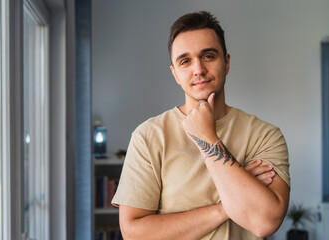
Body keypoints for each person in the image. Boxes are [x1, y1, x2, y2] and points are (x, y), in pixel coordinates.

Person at [112, 11, 290, 240]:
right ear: (175, 74)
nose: (198, 69)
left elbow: (265, 221)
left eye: (208, 56)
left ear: (226, 63)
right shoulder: (148, 136)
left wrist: (207, 138)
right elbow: (134, 234)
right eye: (185, 61)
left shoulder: (265, 135)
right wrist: (226, 207)